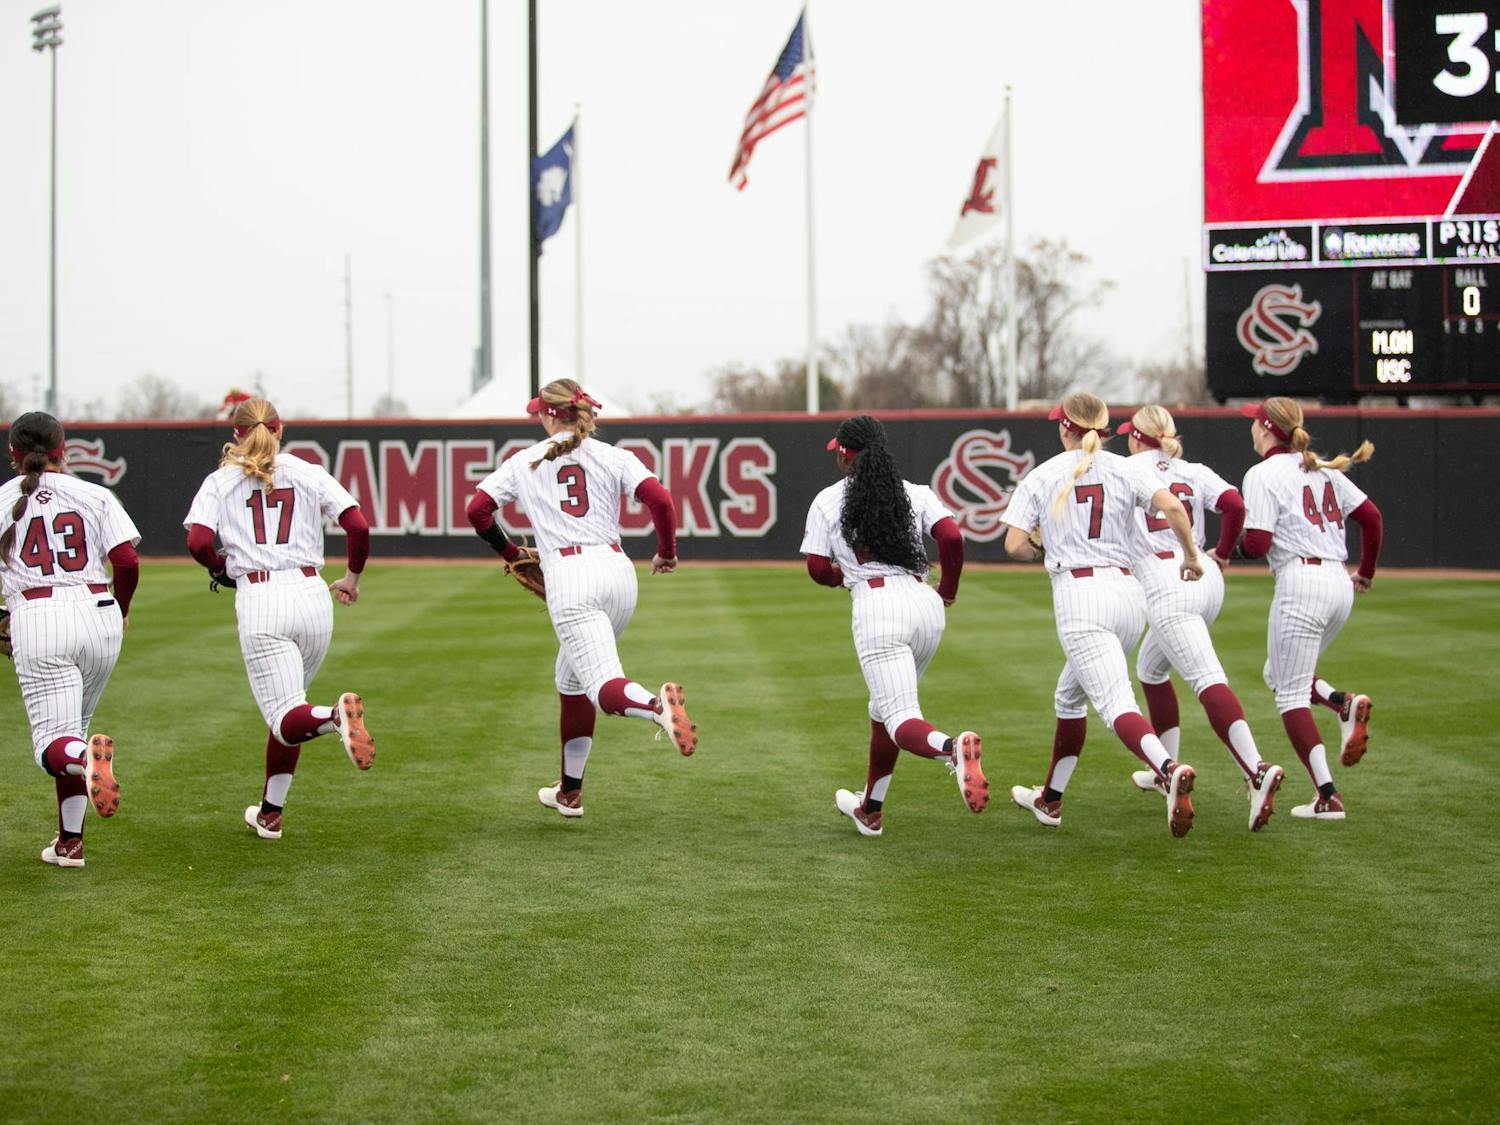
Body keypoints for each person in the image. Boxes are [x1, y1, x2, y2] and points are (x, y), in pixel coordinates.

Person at [465, 378, 694, 819]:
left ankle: (655, 707)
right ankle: (569, 792)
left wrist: (510, 553)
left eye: (540, 411)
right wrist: (666, 552)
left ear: (551, 414)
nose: (538, 417)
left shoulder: (524, 461)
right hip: (618, 571)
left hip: (570, 576)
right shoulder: (614, 455)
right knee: (571, 682)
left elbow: (477, 510)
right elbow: (661, 501)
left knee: (603, 687)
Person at [1001, 392, 1204, 838]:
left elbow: (1014, 545)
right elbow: (1172, 507)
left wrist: (1040, 544)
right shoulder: (1127, 468)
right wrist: (1191, 556)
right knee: (1069, 697)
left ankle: (1168, 769)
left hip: (1080, 595)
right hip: (1129, 595)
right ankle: (1049, 800)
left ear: (1064, 427)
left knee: (1116, 705)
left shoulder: (1042, 475)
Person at [183, 397, 374, 841]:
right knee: (291, 709)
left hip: (262, 596)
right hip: (312, 594)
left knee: (289, 713)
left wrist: (217, 568)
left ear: (236, 434)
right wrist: (352, 578)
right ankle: (270, 813)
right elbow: (358, 525)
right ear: (280, 429)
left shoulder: (221, 480)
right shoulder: (305, 470)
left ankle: (334, 718)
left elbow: (197, 541)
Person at [801, 415, 984, 838]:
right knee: (883, 709)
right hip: (924, 603)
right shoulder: (915, 492)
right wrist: (949, 590)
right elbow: (952, 538)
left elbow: (815, 567)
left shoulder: (829, 500)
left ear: (846, 454)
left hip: (878, 605)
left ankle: (952, 749)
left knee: (902, 718)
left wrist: (839, 577)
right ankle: (871, 808)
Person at [1118, 405, 1286, 831]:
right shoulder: (1193, 469)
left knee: (1207, 677)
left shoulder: (1125, 469)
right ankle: (1163, 772)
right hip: (1206, 577)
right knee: (1151, 669)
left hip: (1166, 581)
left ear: (1138, 437)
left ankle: (1256, 770)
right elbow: (1234, 505)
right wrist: (1224, 553)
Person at [0, 411, 140, 868]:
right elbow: (126, 561)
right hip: (98, 611)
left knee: (52, 746)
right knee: (72, 727)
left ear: (13, 454)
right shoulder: (94, 494)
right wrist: (121, 608)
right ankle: (70, 844)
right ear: (63, 449)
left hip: (40, 616)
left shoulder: (3, 500)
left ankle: (85, 759)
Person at [1236, 397, 1381, 821]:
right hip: (1338, 582)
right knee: (1277, 674)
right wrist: (1366, 572)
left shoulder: (1262, 474)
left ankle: (1327, 796)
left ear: (1265, 428)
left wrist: (1227, 550)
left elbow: (1259, 543)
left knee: (1290, 695)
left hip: (1301, 582)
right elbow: (1372, 518)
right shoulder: (1320, 468)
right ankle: (1341, 704)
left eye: (1254, 423)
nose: (1251, 428)